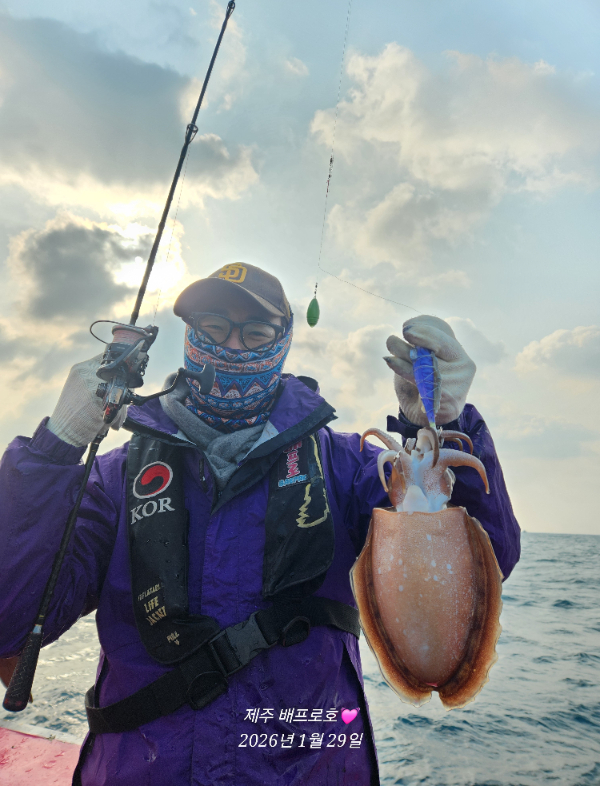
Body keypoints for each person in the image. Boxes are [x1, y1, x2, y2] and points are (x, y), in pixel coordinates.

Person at [0, 262, 520, 785]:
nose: (233, 346)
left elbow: (483, 561)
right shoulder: (115, 480)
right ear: (189, 335)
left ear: (283, 340)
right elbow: (9, 620)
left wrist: (444, 426)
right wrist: (53, 450)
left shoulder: (346, 467)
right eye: (213, 328)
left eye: (255, 333)